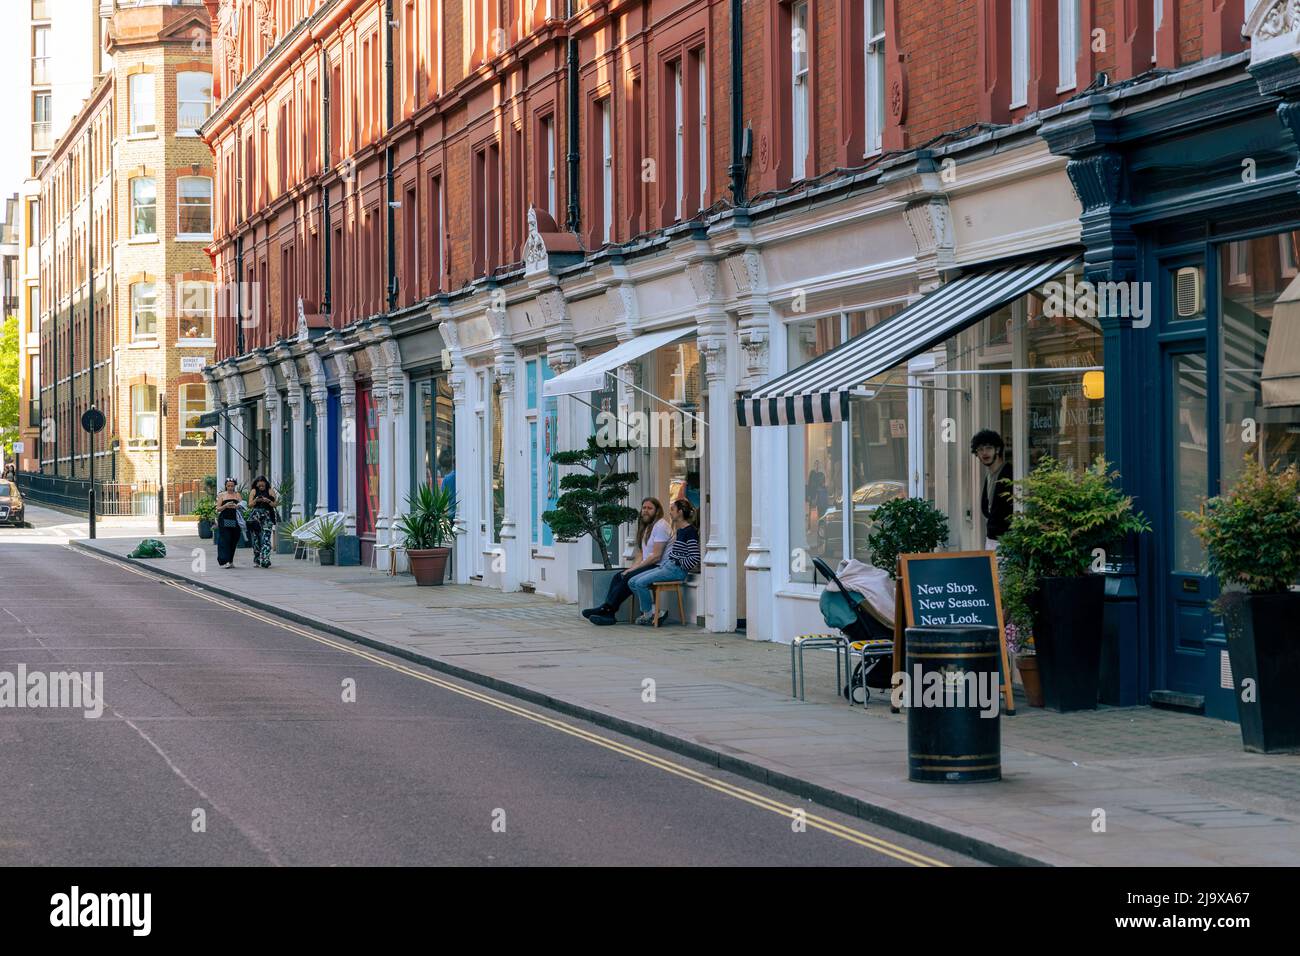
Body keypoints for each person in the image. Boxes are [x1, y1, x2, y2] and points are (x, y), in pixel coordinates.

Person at [583, 497, 671, 626]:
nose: (646, 511)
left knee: (628, 576)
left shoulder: (661, 526)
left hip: (659, 566)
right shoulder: (646, 527)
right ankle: (608, 609)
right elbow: (641, 554)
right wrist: (632, 568)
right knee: (619, 576)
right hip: (649, 564)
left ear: (657, 511)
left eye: (650, 508)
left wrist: (633, 570)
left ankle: (607, 611)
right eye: (644, 508)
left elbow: (656, 556)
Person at [629, 498, 701, 626]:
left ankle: (648, 615)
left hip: (676, 570)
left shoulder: (690, 532)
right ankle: (654, 612)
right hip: (667, 566)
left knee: (640, 583)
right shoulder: (680, 530)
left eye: (672, 510)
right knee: (632, 581)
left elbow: (694, 557)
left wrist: (679, 563)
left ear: (680, 512)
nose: (670, 513)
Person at [972, 428, 1013, 550]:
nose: (984, 453)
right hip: (992, 538)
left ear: (998, 449)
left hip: (1007, 539)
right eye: (980, 449)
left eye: (989, 448)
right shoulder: (989, 476)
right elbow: (987, 508)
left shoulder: (1009, 473)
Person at [247, 475, 279, 569]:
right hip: (255, 517)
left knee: (266, 538)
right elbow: (249, 505)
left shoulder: (270, 491)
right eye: (259, 484)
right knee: (256, 539)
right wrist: (256, 500)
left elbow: (275, 504)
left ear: (265, 483)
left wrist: (268, 500)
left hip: (267, 516)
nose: (261, 486)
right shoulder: (253, 491)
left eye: (262, 484)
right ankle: (257, 559)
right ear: (256, 484)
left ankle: (265, 560)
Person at [215, 477, 243, 568]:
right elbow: (218, 508)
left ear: (234, 486)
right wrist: (226, 506)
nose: (230, 488)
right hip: (224, 519)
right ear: (226, 486)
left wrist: (236, 506)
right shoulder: (222, 495)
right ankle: (225, 560)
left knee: (233, 540)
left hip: (235, 519)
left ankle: (230, 560)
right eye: (228, 486)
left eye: (232, 486)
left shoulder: (237, 495)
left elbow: (242, 506)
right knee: (225, 539)